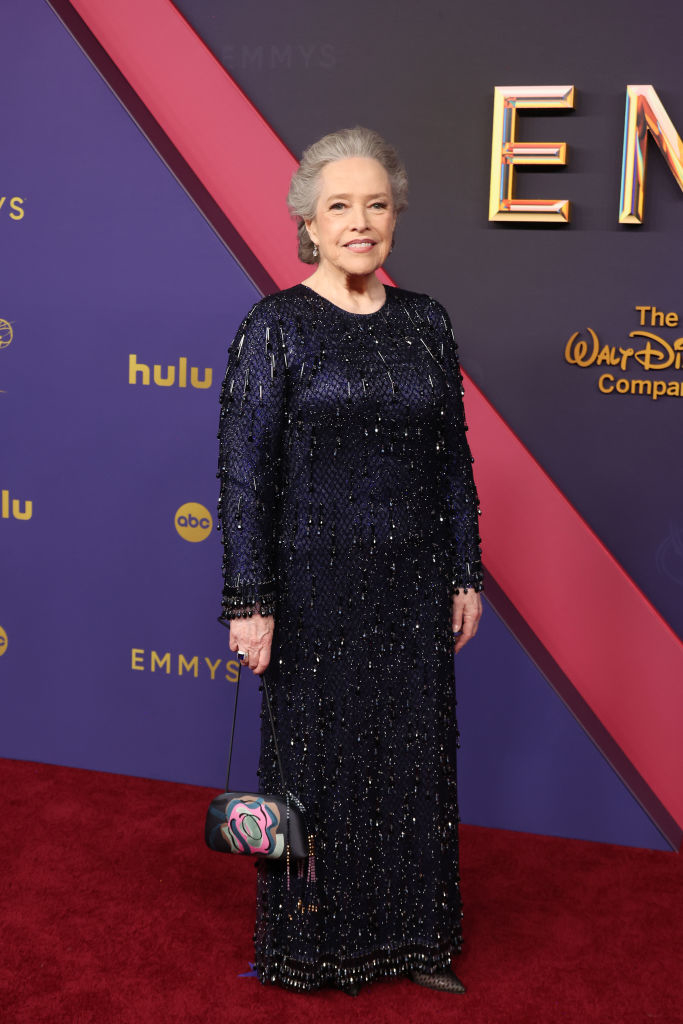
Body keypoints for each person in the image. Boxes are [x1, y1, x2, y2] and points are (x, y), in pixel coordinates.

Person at [217, 126, 483, 997]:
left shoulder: (426, 323)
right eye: (340, 206)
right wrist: (248, 599)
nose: (359, 222)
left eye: (375, 204)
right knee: (316, 766)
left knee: (412, 764)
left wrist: (464, 572)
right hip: (310, 587)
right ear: (308, 220)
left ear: (395, 217)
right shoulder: (275, 327)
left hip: (411, 586)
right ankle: (311, 948)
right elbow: (244, 475)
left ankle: (417, 940)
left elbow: (452, 461)